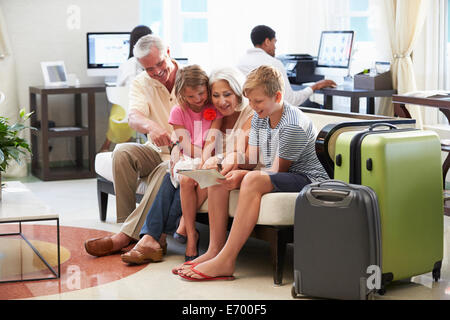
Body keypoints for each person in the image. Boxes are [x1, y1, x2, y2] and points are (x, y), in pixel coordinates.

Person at [178, 65, 329, 281]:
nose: (253, 106)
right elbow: (250, 160)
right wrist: (226, 161)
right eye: (250, 101)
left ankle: (226, 260)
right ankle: (214, 251)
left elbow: (277, 171)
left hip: (307, 178)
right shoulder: (261, 117)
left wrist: (242, 175)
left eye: (257, 101)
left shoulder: (293, 125)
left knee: (251, 179)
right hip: (280, 174)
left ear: (277, 96)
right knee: (219, 177)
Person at [119, 67, 254, 265]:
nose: (221, 100)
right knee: (174, 178)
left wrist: (206, 160)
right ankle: (155, 238)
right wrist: (178, 149)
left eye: (227, 94)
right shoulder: (210, 110)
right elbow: (186, 134)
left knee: (181, 178)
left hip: (221, 165)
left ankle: (155, 236)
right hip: (202, 161)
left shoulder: (244, 113)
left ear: (237, 91)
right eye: (215, 95)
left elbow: (242, 153)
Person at [84, 35, 180, 257]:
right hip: (156, 150)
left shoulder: (190, 77)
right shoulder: (141, 82)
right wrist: (151, 127)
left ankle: (126, 237)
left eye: (159, 64)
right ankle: (127, 227)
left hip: (182, 153)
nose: (156, 72)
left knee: (164, 172)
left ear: (168, 51)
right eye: (149, 68)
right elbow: (134, 118)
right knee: (122, 152)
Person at [237, 25, 336, 107]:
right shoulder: (273, 63)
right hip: (267, 115)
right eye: (274, 42)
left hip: (249, 113)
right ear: (267, 42)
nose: (275, 47)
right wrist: (315, 86)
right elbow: (290, 101)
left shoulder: (240, 62)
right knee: (317, 107)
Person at [99, 25, 153, 153]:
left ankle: (108, 146)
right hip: (137, 110)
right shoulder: (142, 63)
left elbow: (119, 87)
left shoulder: (126, 64)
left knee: (123, 110)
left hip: (121, 111)